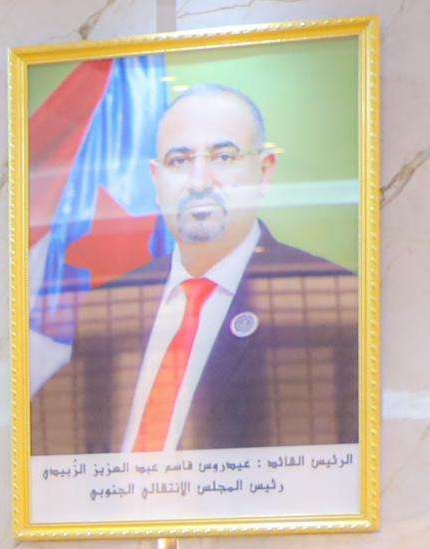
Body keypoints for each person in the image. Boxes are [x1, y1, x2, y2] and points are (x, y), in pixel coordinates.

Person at [30, 84, 362, 457]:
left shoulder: (329, 301)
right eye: (179, 161)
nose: (199, 181)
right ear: (156, 180)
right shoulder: (107, 305)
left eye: (223, 157)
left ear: (264, 171)